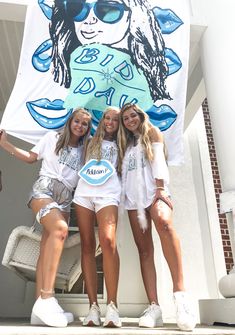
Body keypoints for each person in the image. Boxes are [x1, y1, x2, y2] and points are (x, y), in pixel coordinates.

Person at [0, 108, 92, 327]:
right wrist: (5, 144)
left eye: (84, 124)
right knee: (60, 229)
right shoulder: (53, 137)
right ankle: (47, 297)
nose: (79, 126)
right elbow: (31, 158)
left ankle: (38, 307)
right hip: (45, 189)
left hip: (66, 197)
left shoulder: (85, 150)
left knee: (47, 246)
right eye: (76, 121)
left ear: (88, 128)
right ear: (70, 122)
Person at [118, 103, 196, 331]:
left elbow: (159, 162)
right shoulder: (125, 143)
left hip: (155, 191)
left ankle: (181, 298)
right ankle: (154, 307)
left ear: (140, 116)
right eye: (126, 118)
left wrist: (160, 189)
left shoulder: (151, 132)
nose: (130, 119)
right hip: (134, 201)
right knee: (144, 250)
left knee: (164, 224)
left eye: (133, 115)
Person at [73, 106, 122, 328]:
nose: (110, 122)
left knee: (108, 241)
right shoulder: (89, 140)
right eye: (107, 118)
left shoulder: (124, 143)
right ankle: (93, 307)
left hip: (108, 194)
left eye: (115, 119)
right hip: (84, 193)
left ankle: (112, 305)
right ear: (101, 120)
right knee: (87, 246)